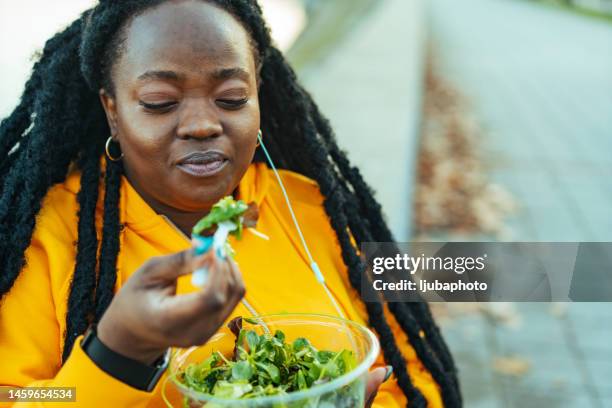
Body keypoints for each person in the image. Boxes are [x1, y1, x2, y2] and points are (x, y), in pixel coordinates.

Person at [0, 0, 461, 406]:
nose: (202, 124)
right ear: (113, 109)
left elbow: (419, 367)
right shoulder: (47, 239)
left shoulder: (320, 208)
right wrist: (118, 354)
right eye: (161, 102)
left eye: (232, 98)